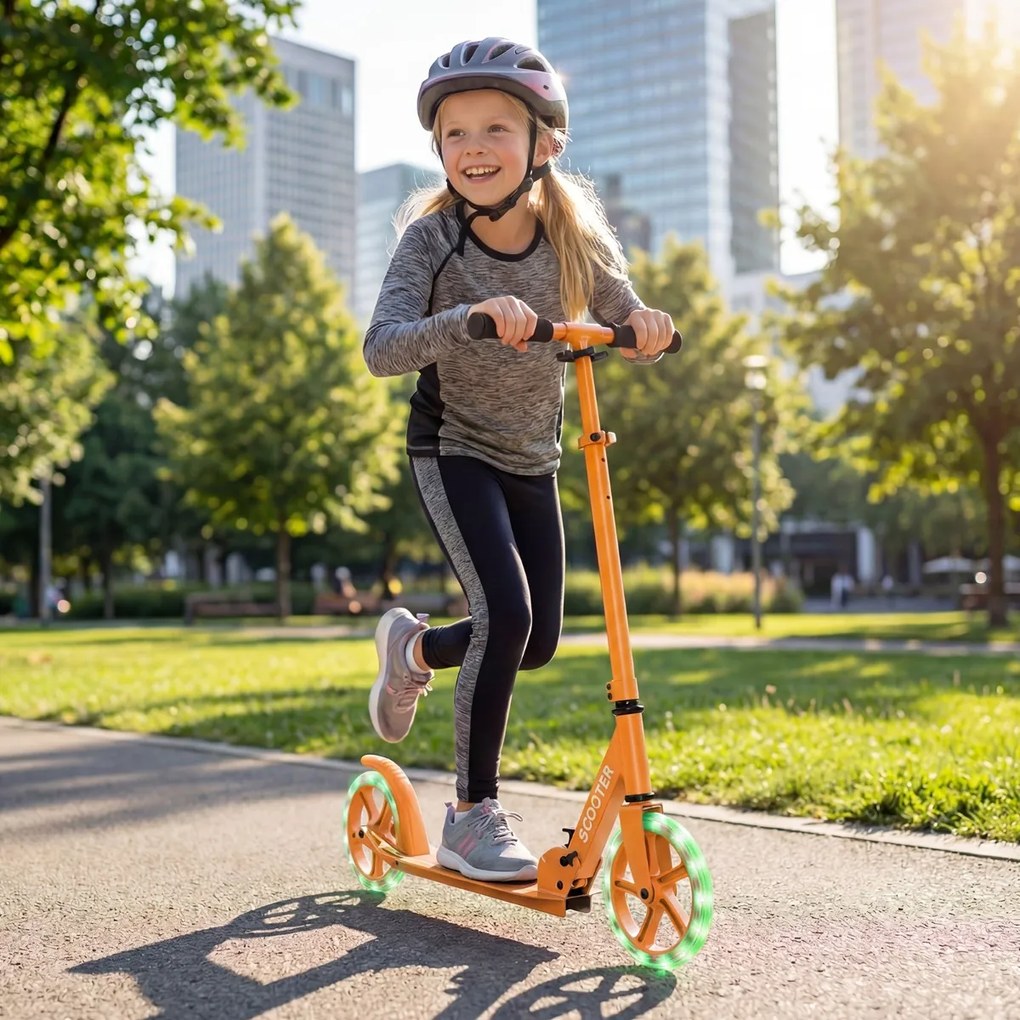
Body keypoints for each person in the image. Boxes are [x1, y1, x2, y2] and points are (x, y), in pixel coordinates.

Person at [362, 38, 675, 883]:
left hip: (534, 456)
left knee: (533, 640)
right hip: (453, 445)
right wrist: (464, 319)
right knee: (505, 608)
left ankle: (416, 653)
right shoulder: (432, 244)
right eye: (455, 131)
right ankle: (471, 812)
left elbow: (622, 306)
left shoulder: (569, 234)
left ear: (545, 144)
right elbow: (382, 348)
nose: (473, 146)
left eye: (496, 127)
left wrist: (644, 324)